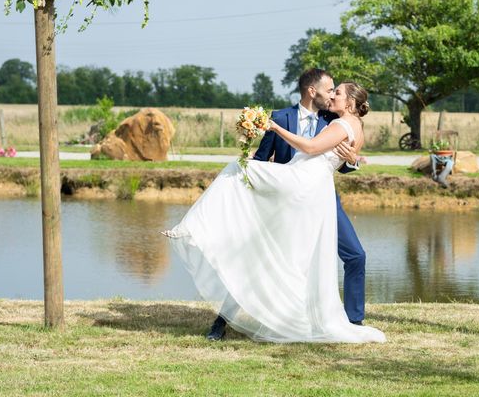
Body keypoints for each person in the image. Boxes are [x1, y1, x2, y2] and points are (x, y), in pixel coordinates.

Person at [163, 78, 385, 343]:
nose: (331, 95)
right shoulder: (344, 122)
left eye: (336, 92)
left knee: (237, 168)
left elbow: (316, 148)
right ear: (311, 90)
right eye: (330, 89)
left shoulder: (337, 120)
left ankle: (194, 227)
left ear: (350, 102)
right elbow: (267, 156)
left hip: (305, 190)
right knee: (269, 253)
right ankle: (227, 319)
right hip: (296, 190)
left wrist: (276, 128)